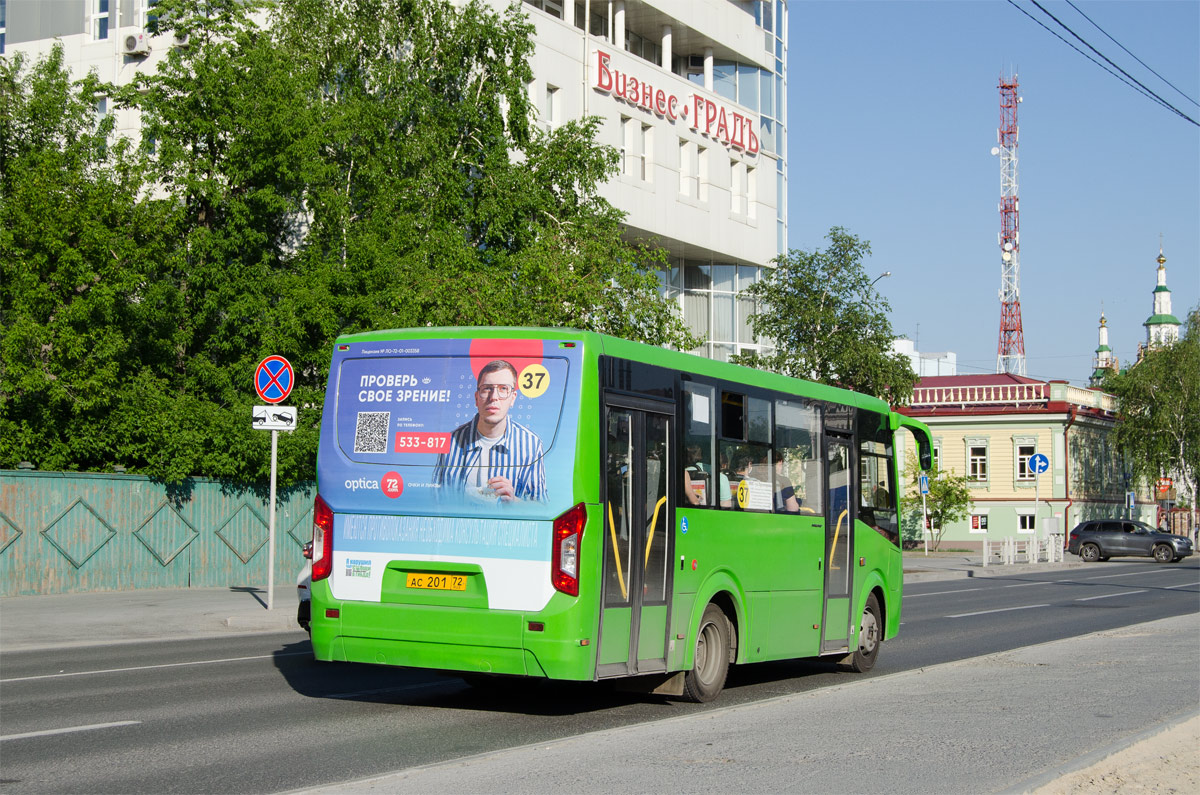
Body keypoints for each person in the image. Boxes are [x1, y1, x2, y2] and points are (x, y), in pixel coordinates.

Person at [433, 360, 545, 503]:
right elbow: (435, 499)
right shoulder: (451, 442)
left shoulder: (531, 445)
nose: (494, 397)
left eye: (503, 388)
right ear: (476, 398)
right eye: (487, 388)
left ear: (513, 398)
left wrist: (514, 502)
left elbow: (542, 507)